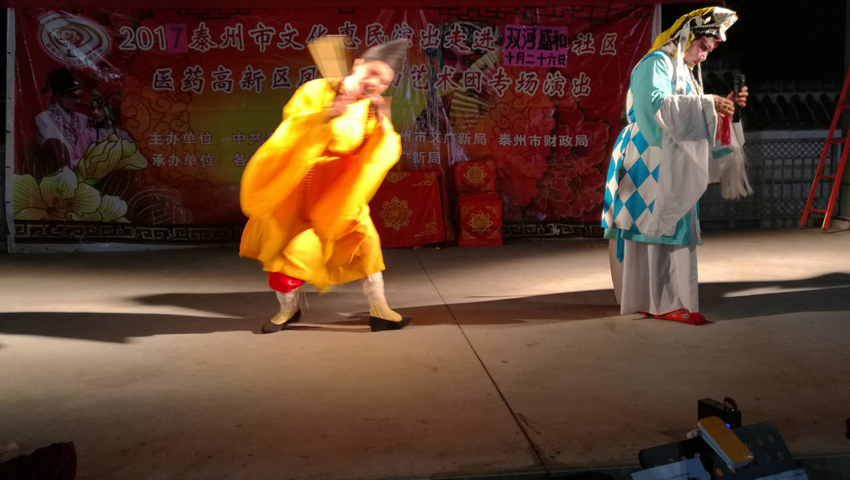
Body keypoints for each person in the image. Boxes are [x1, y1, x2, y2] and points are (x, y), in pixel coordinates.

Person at [239, 39, 413, 334]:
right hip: (299, 191)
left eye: (384, 81)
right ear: (358, 65)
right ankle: (287, 309)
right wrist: (327, 114)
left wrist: (384, 127)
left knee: (364, 244)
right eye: (372, 73)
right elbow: (290, 129)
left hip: (339, 195)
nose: (375, 83)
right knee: (288, 256)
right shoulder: (317, 90)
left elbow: (378, 154)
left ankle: (380, 310)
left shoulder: (370, 110)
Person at [601, 7, 751, 325]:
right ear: (687, 36)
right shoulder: (656, 62)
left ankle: (659, 298)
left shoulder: (681, 72)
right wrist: (707, 104)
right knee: (658, 224)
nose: (704, 56)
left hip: (668, 157)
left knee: (669, 224)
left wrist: (721, 107)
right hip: (647, 157)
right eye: (703, 47)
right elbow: (654, 107)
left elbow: (689, 114)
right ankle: (659, 300)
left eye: (710, 51)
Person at [36, 68, 89, 165]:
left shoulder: (84, 119)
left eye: (79, 97)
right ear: (59, 96)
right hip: (60, 171)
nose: (78, 101)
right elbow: (52, 155)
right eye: (73, 97)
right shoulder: (43, 119)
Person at [75, 91, 132, 167]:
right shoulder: (86, 134)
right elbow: (82, 161)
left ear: (106, 110)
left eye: (99, 108)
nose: (95, 112)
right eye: (92, 109)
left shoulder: (121, 134)